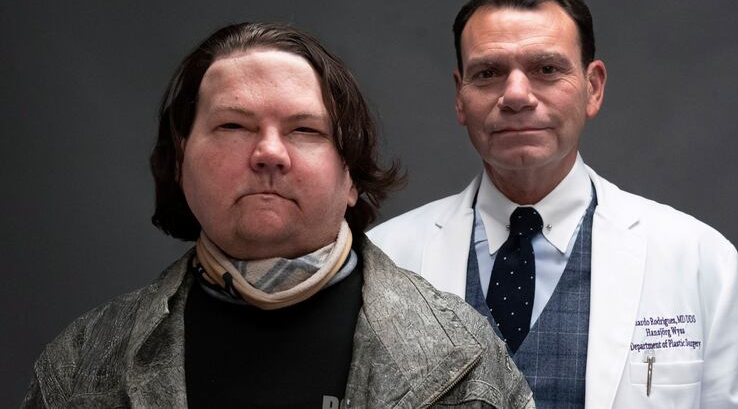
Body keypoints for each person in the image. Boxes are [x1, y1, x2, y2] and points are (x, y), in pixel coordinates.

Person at [23, 23, 534, 408]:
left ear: (351, 176)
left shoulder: (466, 359)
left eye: (304, 131)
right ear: (180, 162)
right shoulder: (82, 365)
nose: (269, 153)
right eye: (232, 126)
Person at [369, 0, 738, 408]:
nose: (517, 94)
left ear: (593, 88)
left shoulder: (697, 259)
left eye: (545, 69)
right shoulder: (385, 259)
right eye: (488, 72)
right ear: (460, 96)